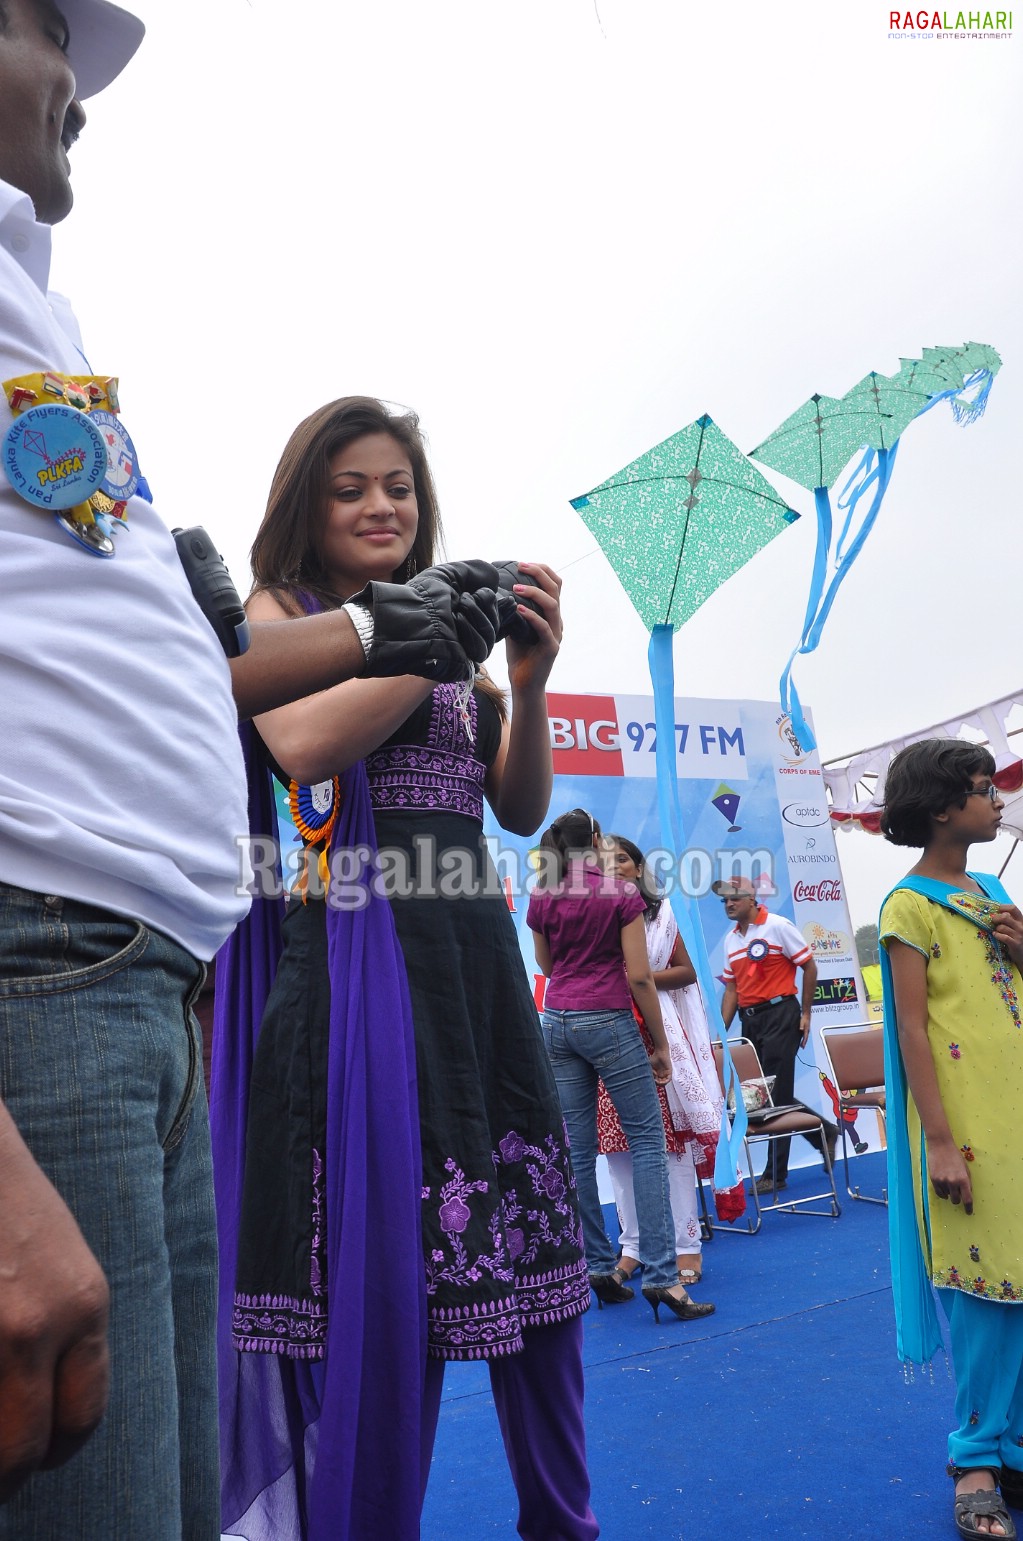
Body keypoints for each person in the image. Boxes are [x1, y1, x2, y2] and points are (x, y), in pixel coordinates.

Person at [0, 7, 512, 1532]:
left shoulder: (43, 315)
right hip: (46, 971)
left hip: (138, 972)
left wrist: (386, 624)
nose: (76, 76)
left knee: (167, 1498)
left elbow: (173, 665)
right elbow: (277, 731)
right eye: (39, 27)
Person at [214, 397, 598, 1541]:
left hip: (474, 970)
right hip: (352, 975)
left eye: (399, 486)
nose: (382, 504)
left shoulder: (446, 632)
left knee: (535, 1271)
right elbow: (301, 743)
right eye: (351, 488)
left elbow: (519, 806)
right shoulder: (284, 614)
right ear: (306, 507)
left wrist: (523, 681)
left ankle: (563, 1518)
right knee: (385, 1283)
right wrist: (432, 638)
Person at [879, 738, 1023, 1541]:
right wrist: (937, 1141)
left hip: (1019, 1115)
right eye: (980, 788)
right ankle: (972, 1456)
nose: (995, 800)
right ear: (941, 808)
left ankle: (1012, 1443)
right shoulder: (906, 907)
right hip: (964, 1126)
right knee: (980, 1291)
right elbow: (910, 1029)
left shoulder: (992, 888)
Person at [527, 810, 716, 1324]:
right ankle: (662, 1277)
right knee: (649, 1144)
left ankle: (598, 1266)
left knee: (579, 1149)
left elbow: (546, 967)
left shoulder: (543, 893)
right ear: (594, 840)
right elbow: (639, 978)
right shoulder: (620, 894)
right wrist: (657, 1042)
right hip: (609, 1018)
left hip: (558, 1020)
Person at [596, 836, 722, 1286]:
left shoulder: (661, 915)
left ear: (639, 866)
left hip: (656, 1038)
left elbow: (687, 972)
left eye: (623, 859)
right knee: (618, 1151)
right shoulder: (592, 915)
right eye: (605, 861)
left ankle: (687, 1246)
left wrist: (639, 979)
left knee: (668, 1146)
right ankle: (631, 1247)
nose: (615, 866)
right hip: (607, 1037)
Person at [717, 875, 836, 1194]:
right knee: (766, 1095)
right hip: (750, 1020)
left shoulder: (778, 925)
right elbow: (732, 989)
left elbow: (809, 967)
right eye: (724, 900)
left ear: (752, 899)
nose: (728, 904)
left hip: (782, 1014)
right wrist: (719, 1031)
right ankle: (823, 1131)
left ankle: (775, 1174)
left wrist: (806, 1013)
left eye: (734, 898)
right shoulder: (731, 940)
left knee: (774, 1097)